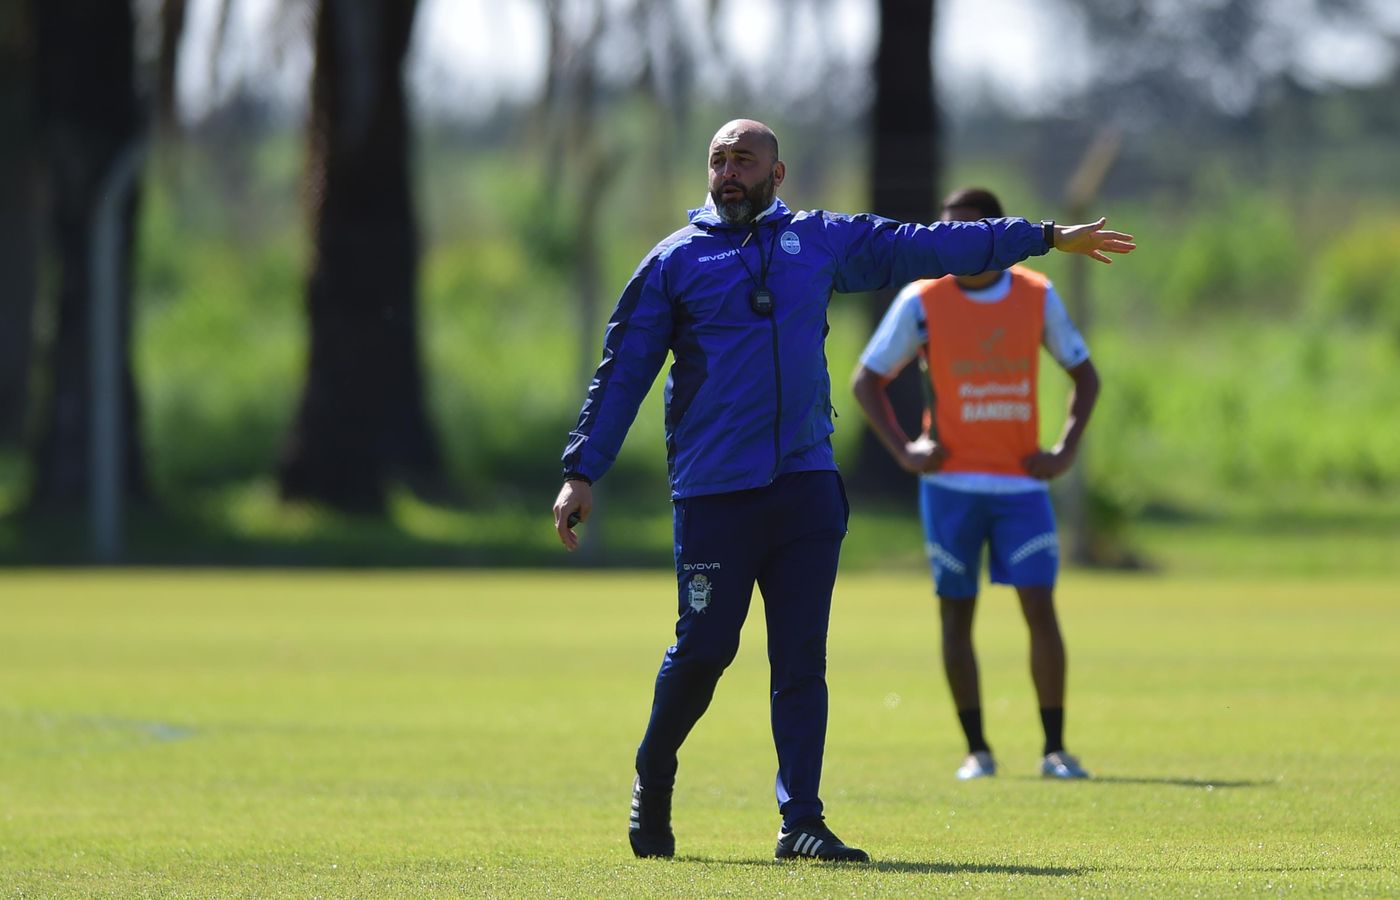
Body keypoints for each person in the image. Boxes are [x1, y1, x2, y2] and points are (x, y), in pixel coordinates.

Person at [551, 122, 1133, 862]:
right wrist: (582, 470)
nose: (728, 173)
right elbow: (623, 369)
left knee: (801, 659)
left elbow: (929, 246)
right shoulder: (675, 262)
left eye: (744, 161)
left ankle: (801, 822)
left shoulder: (820, 241)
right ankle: (654, 769)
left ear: (778, 172)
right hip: (714, 493)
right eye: (718, 161)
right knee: (704, 651)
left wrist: (1043, 237)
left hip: (804, 486)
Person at [850, 186, 1102, 783]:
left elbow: (1085, 377)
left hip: (1020, 487)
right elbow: (867, 380)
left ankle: (1055, 749)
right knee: (956, 615)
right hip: (950, 488)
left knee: (1039, 608)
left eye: (965, 233)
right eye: (945, 234)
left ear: (995, 235)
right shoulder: (921, 299)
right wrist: (906, 449)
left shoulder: (1035, 296)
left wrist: (1064, 451)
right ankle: (977, 750)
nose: (952, 246)